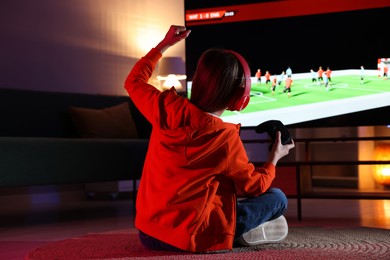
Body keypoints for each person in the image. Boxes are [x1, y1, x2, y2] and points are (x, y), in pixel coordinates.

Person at [124, 25, 295, 253]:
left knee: (222, 196)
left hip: (148, 232)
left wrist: (164, 44)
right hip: (189, 237)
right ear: (238, 96)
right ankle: (234, 234)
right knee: (277, 198)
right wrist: (274, 159)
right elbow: (255, 186)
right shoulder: (224, 138)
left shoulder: (164, 107)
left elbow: (133, 81)